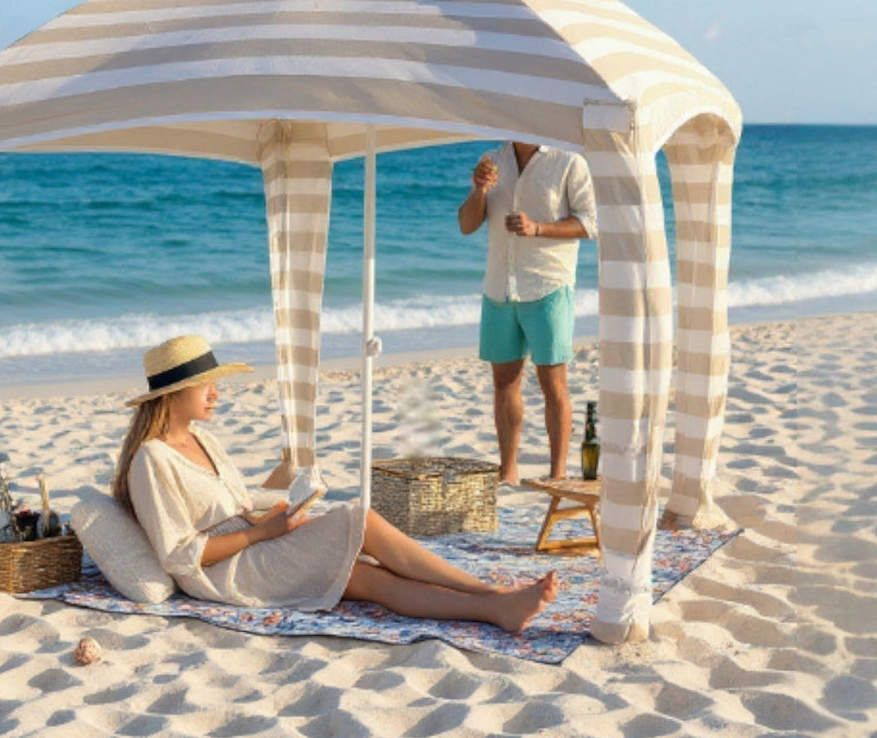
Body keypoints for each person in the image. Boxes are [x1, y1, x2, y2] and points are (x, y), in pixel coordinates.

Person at [113, 335, 558, 633]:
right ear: (171, 394)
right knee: (359, 519)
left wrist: (283, 512)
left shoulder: (202, 439)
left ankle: (496, 608)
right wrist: (264, 533)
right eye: (205, 385)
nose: (216, 392)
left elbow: (236, 503)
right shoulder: (151, 459)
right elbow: (178, 555)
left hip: (252, 544)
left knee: (365, 577)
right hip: (224, 573)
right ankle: (490, 593)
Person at [457, 141, 597, 484]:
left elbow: (590, 223)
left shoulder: (569, 161)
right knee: (504, 382)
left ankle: (557, 474)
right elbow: (466, 224)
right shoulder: (492, 159)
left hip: (548, 286)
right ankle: (508, 473)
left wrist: (538, 228)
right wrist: (479, 191)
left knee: (553, 383)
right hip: (499, 287)